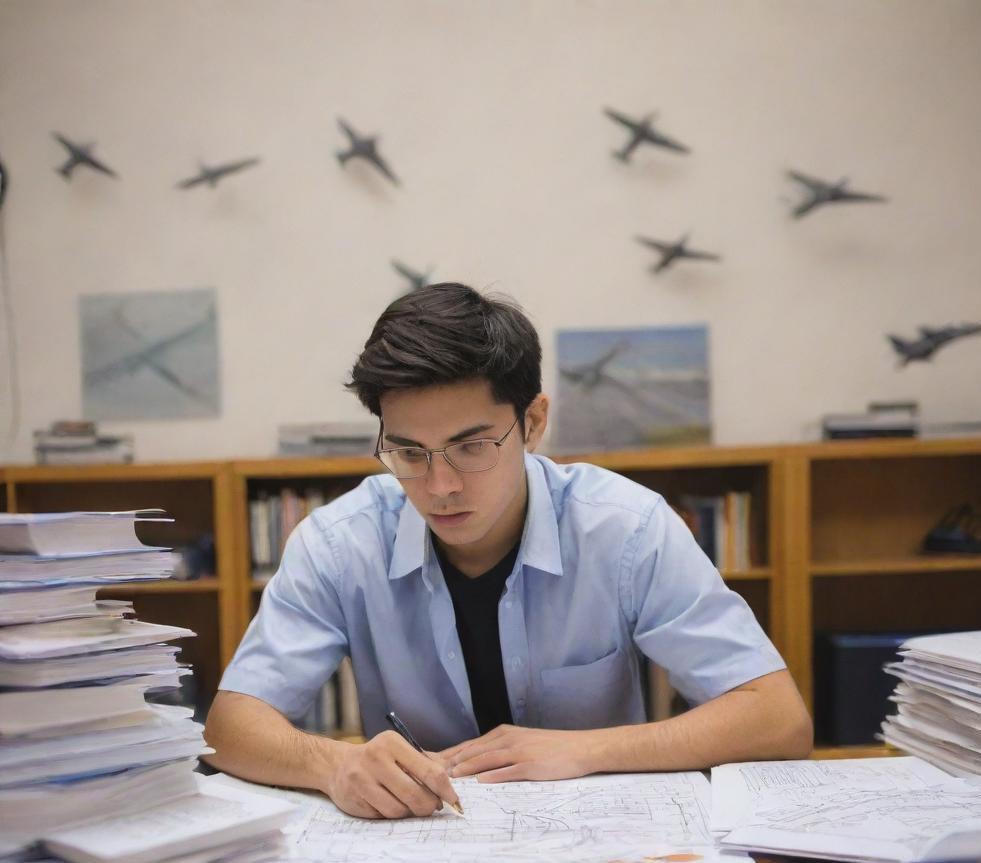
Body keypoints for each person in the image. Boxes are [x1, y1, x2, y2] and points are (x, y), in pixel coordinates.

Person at [204, 283, 812, 819]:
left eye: (472, 447)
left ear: (534, 421)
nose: (440, 487)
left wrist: (584, 749)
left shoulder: (626, 529)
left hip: (605, 842)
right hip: (419, 851)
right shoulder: (340, 543)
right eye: (410, 453)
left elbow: (777, 718)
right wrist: (332, 764)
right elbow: (231, 727)